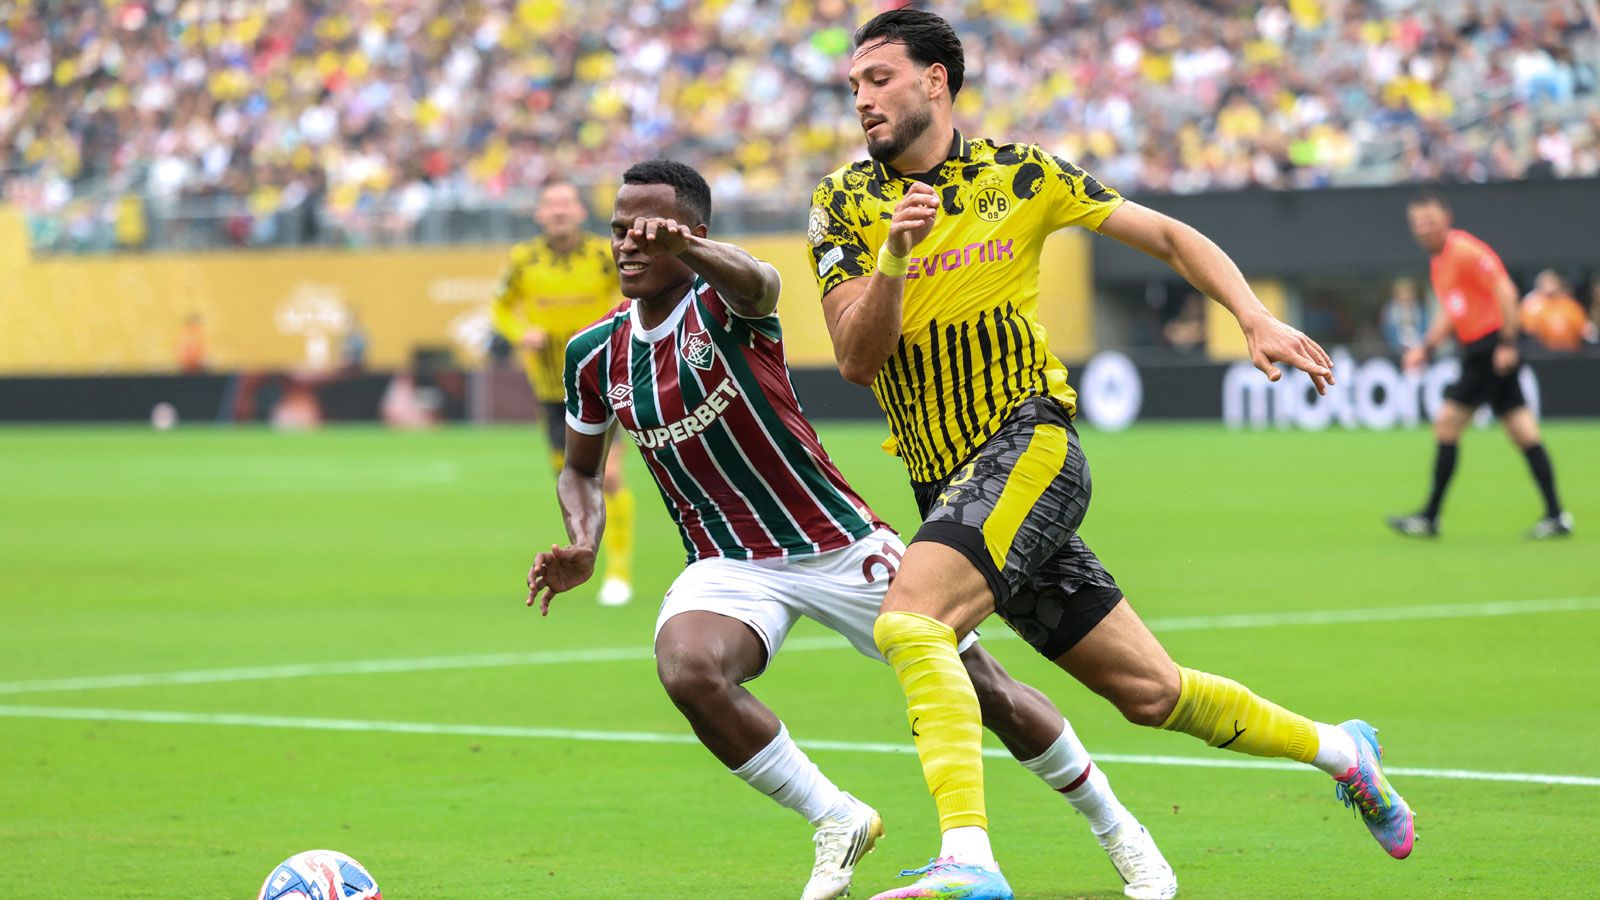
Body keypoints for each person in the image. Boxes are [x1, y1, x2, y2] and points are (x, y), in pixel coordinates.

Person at [810, 11, 1412, 899]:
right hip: (951, 481)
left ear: (936, 81)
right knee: (1153, 694)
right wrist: (896, 253)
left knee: (912, 620)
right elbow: (858, 363)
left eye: (879, 79)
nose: (862, 98)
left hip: (1029, 443)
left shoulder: (1022, 173)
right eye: (854, 85)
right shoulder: (843, 203)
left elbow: (1169, 237)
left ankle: (968, 858)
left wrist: (1252, 314)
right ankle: (1341, 749)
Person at [526, 160, 1176, 900]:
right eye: (619, 230)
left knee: (985, 689)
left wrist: (689, 250)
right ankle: (836, 817)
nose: (629, 246)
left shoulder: (725, 305)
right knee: (687, 668)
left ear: (694, 236)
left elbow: (762, 282)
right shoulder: (593, 353)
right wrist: (582, 539)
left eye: (652, 232)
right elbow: (580, 467)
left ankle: (1119, 828)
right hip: (728, 561)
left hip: (834, 539)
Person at [1388, 194, 1572, 540]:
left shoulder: (1465, 251)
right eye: (1417, 224)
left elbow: (1506, 289)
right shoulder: (1440, 261)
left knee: (1446, 425)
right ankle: (1557, 515)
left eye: (1429, 221)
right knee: (1523, 432)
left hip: (1489, 348)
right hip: (1482, 348)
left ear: (1447, 217)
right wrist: (1426, 347)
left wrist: (1507, 343)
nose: (1423, 229)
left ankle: (1429, 517)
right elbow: (1452, 312)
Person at [494, 180, 636, 606]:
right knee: (571, 480)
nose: (558, 211)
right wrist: (522, 332)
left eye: (566, 203)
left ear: (580, 210)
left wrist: (618, 331)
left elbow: (634, 293)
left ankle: (619, 573)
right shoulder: (523, 260)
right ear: (538, 213)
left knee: (607, 477)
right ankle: (583, 554)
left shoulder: (603, 254)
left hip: (603, 381)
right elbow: (500, 307)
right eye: (550, 204)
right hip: (552, 389)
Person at [1519, 270, 1590, 352]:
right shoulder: (1532, 304)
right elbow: (1527, 329)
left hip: (1570, 351)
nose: (1548, 286)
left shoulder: (1569, 304)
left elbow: (1583, 328)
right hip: (1541, 352)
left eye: (1551, 282)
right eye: (1544, 283)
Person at [1379, 277, 1429, 354]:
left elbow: (1427, 330)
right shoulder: (1389, 312)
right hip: (1396, 353)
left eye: (1409, 295)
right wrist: (1398, 348)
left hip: (1419, 351)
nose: (1407, 300)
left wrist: (1421, 347)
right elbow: (1388, 334)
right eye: (1403, 296)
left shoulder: (1421, 310)